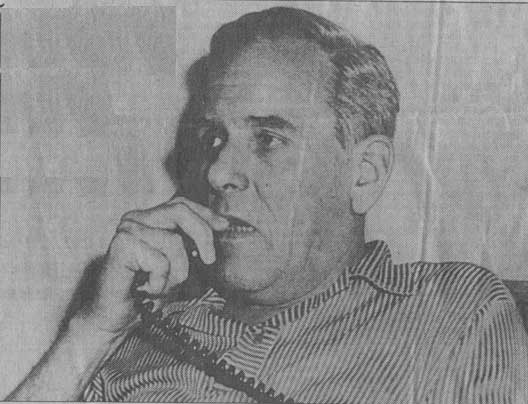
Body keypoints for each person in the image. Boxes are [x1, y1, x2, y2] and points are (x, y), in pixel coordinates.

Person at [7, 7, 528, 403]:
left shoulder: (454, 312)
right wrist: (92, 331)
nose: (216, 172)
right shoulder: (143, 332)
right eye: (214, 138)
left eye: (268, 139)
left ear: (364, 173)